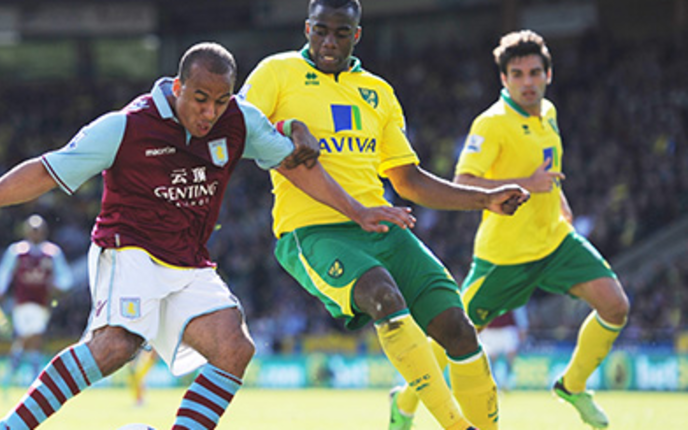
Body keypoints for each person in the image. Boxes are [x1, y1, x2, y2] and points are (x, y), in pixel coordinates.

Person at [0, 42, 415, 430]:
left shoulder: (239, 121)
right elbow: (46, 170)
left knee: (234, 347)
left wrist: (356, 209)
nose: (209, 113)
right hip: (128, 250)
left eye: (221, 101)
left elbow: (294, 165)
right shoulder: (126, 126)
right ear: (178, 86)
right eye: (200, 99)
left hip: (188, 261)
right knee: (117, 345)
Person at [240, 1, 529, 429]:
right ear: (306, 28)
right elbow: (240, 125)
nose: (328, 42)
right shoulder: (276, 73)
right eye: (320, 31)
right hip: (315, 232)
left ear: (357, 35)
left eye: (340, 33)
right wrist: (286, 129)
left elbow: (408, 180)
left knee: (459, 330)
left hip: (379, 225)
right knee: (382, 295)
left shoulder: (378, 91)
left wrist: (482, 199)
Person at [393, 30, 630, 430]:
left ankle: (572, 386)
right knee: (454, 335)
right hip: (503, 257)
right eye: (517, 74)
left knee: (615, 306)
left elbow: (548, 173)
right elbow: (464, 181)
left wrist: (558, 198)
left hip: (555, 241)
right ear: (503, 79)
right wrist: (528, 183)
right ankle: (403, 402)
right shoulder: (491, 124)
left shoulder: (549, 114)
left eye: (534, 73)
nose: (527, 82)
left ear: (548, 75)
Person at [0, 214, 73, 381]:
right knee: (30, 337)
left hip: (41, 303)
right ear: (26, 231)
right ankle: (29, 374)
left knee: (31, 338)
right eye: (33, 229)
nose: (35, 233)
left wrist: (60, 286)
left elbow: (66, 277)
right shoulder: (17, 251)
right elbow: (4, 272)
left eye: (39, 230)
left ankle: (16, 372)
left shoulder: (52, 253)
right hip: (21, 302)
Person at [478, 307, 528, 390]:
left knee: (511, 355)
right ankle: (492, 382)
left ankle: (508, 380)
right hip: (490, 329)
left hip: (507, 328)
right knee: (490, 358)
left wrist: (523, 326)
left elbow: (519, 309)